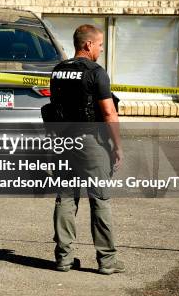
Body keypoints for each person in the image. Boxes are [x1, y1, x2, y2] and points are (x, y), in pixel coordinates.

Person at [47, 24, 125, 275]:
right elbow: (108, 112)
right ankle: (107, 260)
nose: (101, 50)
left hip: (63, 142)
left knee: (66, 198)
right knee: (99, 198)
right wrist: (117, 145)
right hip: (90, 141)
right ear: (88, 44)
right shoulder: (96, 72)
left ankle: (63, 258)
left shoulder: (58, 71)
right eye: (100, 45)